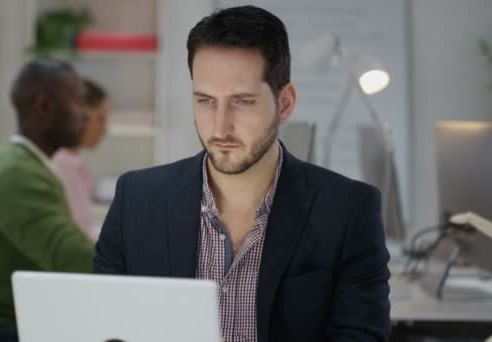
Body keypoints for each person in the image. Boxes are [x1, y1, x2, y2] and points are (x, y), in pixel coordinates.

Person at [94, 5, 390, 341]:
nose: (220, 127)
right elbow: (104, 329)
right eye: (206, 101)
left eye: (243, 101)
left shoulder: (348, 211)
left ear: (286, 103)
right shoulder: (137, 200)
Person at [0, 59, 95, 342]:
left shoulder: (22, 165)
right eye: (78, 100)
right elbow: (71, 258)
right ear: (44, 106)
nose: (86, 114)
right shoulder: (17, 174)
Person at [53, 79, 109, 241]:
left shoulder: (69, 163)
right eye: (100, 119)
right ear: (79, 115)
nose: (105, 129)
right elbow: (80, 235)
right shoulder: (62, 165)